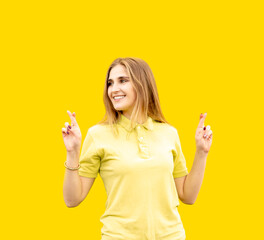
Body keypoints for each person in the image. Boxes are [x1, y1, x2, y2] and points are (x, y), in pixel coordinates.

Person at [62, 57, 213, 240]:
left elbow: (188, 196)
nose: (113, 89)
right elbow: (72, 200)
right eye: (110, 83)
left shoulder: (169, 133)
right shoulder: (98, 134)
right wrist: (72, 152)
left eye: (123, 80)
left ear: (143, 84)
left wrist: (201, 152)